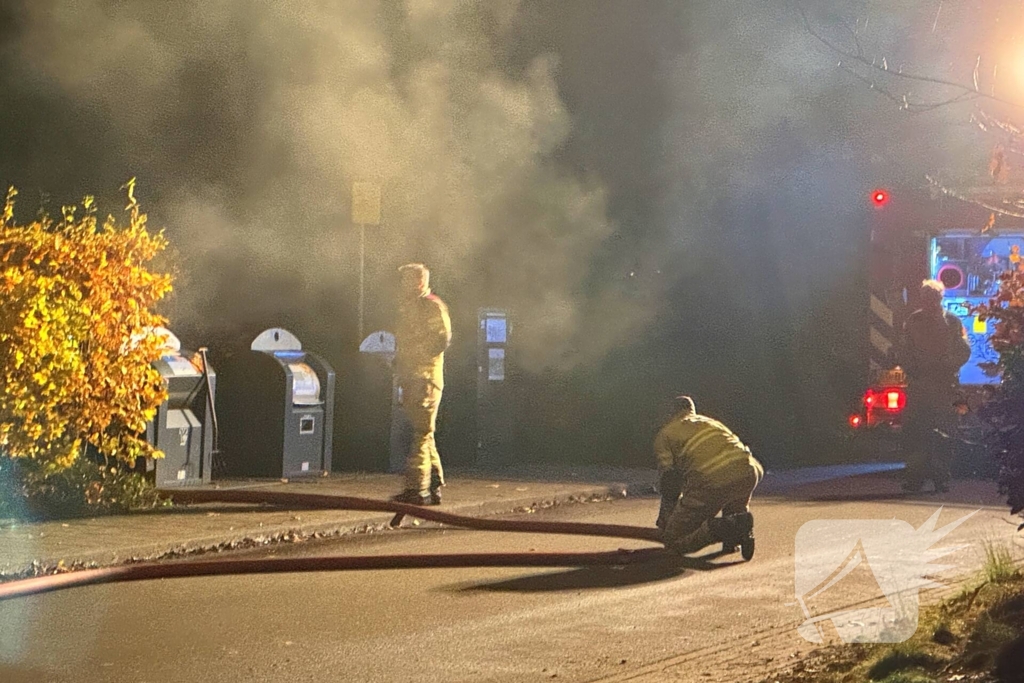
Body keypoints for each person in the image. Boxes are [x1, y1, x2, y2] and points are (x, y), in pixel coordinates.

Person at [654, 396, 764, 557]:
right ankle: (737, 529)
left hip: (711, 482)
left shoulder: (665, 435)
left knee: (673, 541)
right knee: (734, 494)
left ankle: (718, 529)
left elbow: (670, 481)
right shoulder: (710, 422)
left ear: (670, 413)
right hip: (749, 471)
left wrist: (667, 519)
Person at [899, 279, 971, 493]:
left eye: (934, 297)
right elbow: (904, 350)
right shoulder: (913, 321)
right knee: (916, 431)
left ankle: (941, 477)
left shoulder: (952, 322)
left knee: (944, 433)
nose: (930, 301)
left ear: (940, 298)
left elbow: (963, 351)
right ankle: (915, 477)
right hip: (922, 385)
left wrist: (946, 366)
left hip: (941, 385)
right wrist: (913, 369)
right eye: (927, 297)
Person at [391, 263, 452, 506]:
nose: (402, 285)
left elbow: (442, 338)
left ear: (419, 281)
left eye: (406, 280)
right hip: (414, 376)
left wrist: (418, 359)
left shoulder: (431, 306)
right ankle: (434, 484)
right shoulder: (410, 307)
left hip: (425, 377)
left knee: (421, 433)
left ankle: (416, 488)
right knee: (425, 433)